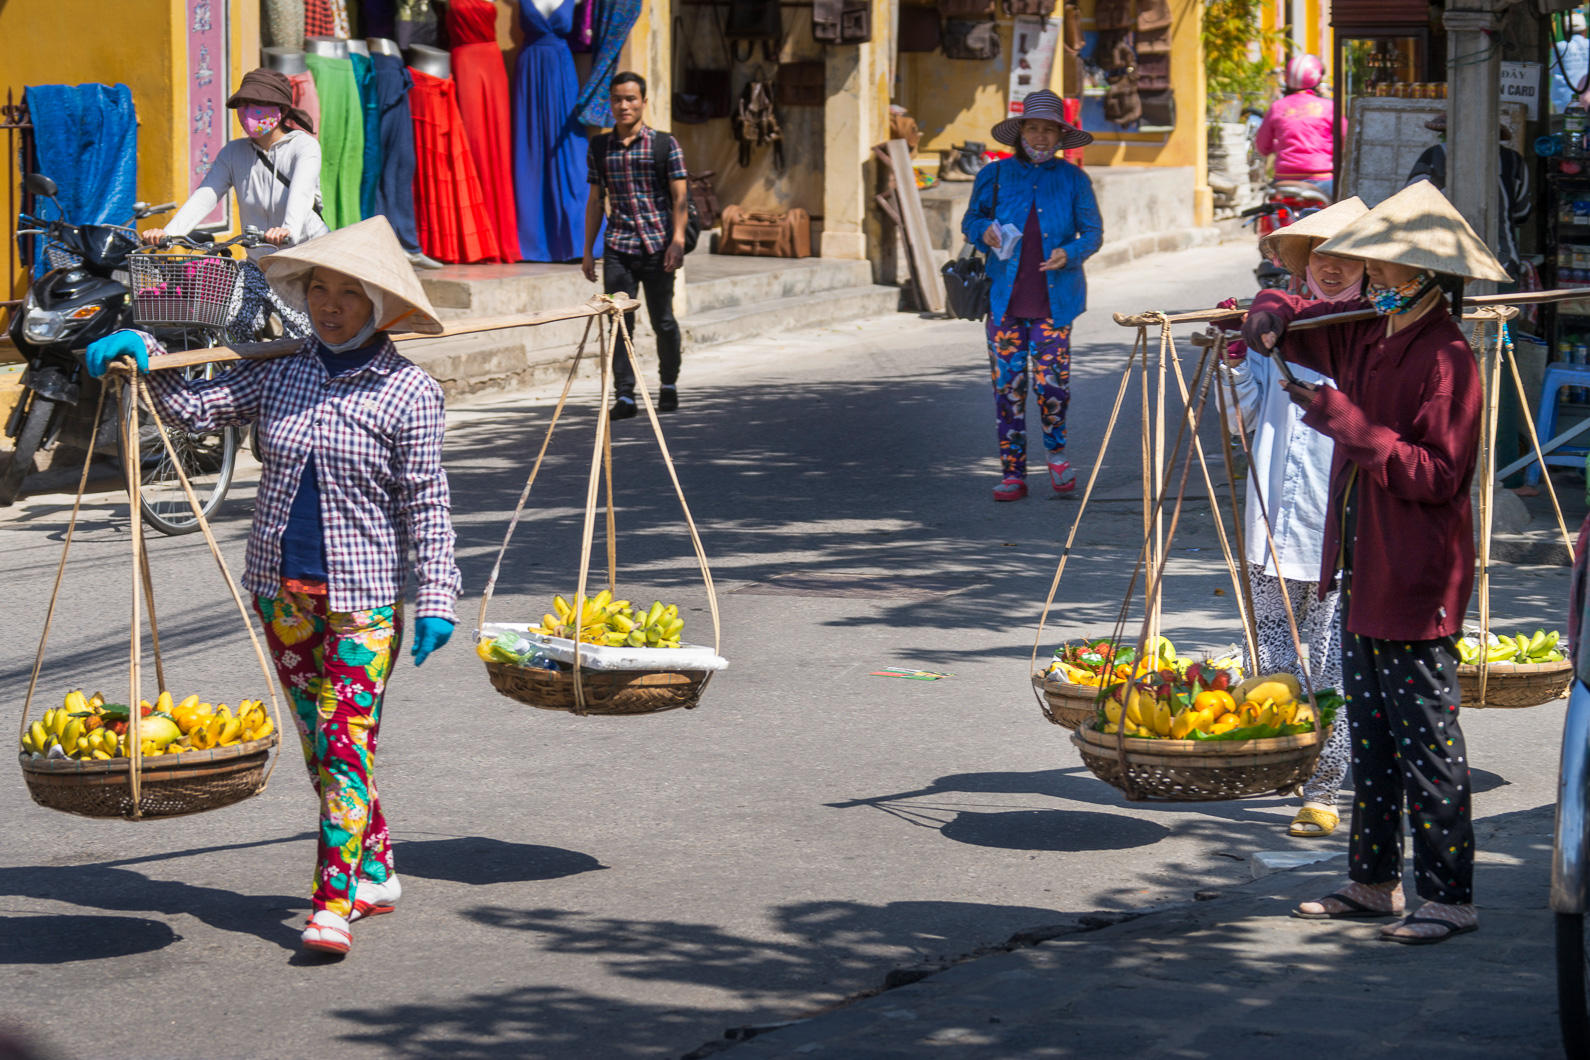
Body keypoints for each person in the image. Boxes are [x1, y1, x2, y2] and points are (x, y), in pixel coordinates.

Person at [82, 217, 463, 958]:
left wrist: (438, 595)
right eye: (318, 288)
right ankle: (375, 866)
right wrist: (145, 354)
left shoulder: (410, 393)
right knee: (324, 747)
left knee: (349, 747)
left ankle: (331, 903)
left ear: (379, 304)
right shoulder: (282, 367)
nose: (329, 304)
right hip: (281, 595)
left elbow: (427, 502)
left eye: (349, 292)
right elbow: (196, 410)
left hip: (363, 602)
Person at [1241, 180, 1509, 944]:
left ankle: (1449, 896)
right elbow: (1296, 316)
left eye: (1388, 271)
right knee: (1372, 738)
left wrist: (1349, 426)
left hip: (1416, 577)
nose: (1375, 279)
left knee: (1427, 742)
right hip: (1359, 569)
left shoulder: (1448, 357)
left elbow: (1438, 476)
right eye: (1376, 270)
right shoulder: (1367, 331)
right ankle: (1373, 882)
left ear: (1426, 276)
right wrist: (1267, 315)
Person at [1229, 197, 1368, 839]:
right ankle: (1292, 760)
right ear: (1303, 267)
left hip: (1341, 537)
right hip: (1273, 529)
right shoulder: (1271, 333)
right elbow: (1247, 423)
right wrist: (1237, 365)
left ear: (1368, 267)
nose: (1333, 270)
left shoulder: (1372, 339)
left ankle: (1325, 788)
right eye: (1321, 259)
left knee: (1333, 670)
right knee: (1280, 667)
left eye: (1347, 259)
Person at [960, 90, 1103, 502]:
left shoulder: (1075, 180)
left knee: (1051, 386)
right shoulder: (995, 175)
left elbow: (1092, 234)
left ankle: (1056, 454)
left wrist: (1068, 253)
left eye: (1049, 130)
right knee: (1008, 387)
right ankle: (1013, 473)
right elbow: (971, 219)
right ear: (1020, 132)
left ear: (1061, 136)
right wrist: (982, 230)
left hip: (1054, 306)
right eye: (1033, 128)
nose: (1040, 137)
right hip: (1003, 302)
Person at [141, 68, 330, 340]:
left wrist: (288, 230)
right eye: (243, 104)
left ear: (280, 109)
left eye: (257, 103)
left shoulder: (304, 147)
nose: (247, 111)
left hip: (303, 263)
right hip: (258, 263)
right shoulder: (234, 153)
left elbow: (300, 196)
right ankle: (247, 377)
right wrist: (169, 233)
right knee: (233, 325)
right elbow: (205, 195)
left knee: (303, 339)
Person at [581, 71, 689, 420]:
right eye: (617, 99)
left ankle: (668, 384)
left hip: (659, 247)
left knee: (664, 322)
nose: (623, 105)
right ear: (610, 103)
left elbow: (680, 198)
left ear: (643, 101)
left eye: (630, 98)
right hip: (619, 248)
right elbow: (596, 200)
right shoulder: (600, 147)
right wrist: (588, 251)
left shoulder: (664, 144)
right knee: (619, 324)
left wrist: (677, 242)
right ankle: (624, 395)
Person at [1254, 55, 1337, 198]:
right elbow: (1347, 141)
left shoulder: (1277, 107)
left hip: (1284, 179)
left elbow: (1262, 147)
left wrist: (1279, 146)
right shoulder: (1328, 107)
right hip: (1321, 179)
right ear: (1317, 78)